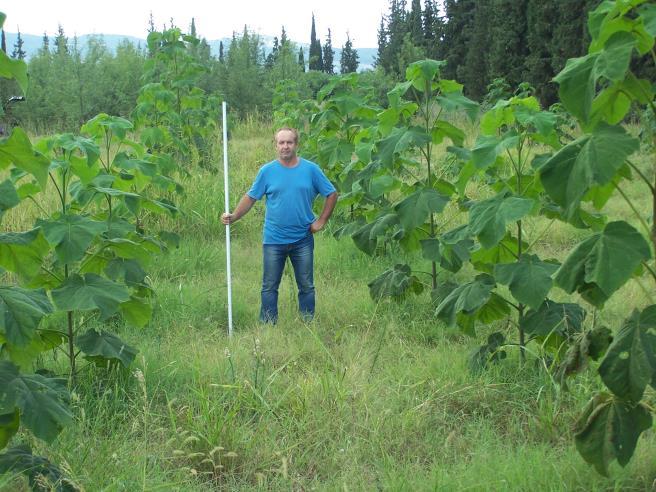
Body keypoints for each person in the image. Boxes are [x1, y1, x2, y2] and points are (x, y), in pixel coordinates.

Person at [221, 127, 338, 323]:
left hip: (303, 238)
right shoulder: (266, 171)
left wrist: (321, 221)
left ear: (296, 144)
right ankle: (268, 325)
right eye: (281, 143)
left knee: (306, 285)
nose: (285, 146)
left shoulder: (311, 170)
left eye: (289, 142)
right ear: (276, 145)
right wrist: (234, 216)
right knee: (269, 286)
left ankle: (307, 324)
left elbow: (331, 193)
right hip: (274, 239)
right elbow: (251, 197)